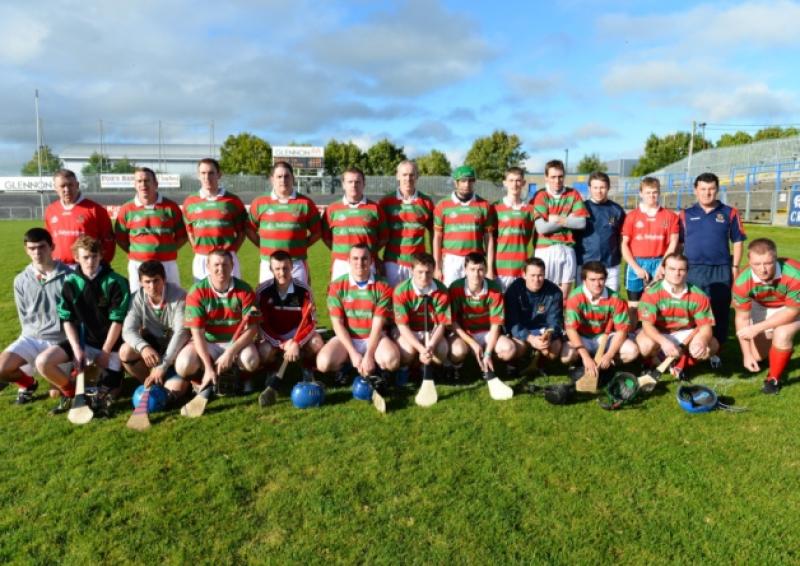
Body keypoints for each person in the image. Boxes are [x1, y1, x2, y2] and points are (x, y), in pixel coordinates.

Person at [35, 235, 131, 416]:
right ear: (77, 258)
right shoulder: (71, 282)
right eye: (85, 257)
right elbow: (67, 319)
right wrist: (77, 349)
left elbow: (117, 321)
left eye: (94, 256)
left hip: (111, 347)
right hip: (84, 343)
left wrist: (105, 352)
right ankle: (72, 392)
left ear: (101, 256)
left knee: (105, 395)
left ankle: (108, 384)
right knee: (43, 362)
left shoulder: (116, 282)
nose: (91, 261)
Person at [0, 228, 70, 403]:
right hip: (31, 338)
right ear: (26, 250)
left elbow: (80, 317)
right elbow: (24, 316)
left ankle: (66, 385)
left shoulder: (69, 277)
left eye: (41, 247)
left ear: (52, 247)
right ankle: (28, 383)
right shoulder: (21, 280)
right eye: (32, 248)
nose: (37, 252)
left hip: (59, 341)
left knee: (56, 393)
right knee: (2, 368)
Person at [175, 249, 261, 392]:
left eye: (225, 265)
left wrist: (230, 352)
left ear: (232, 266)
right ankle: (202, 380)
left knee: (251, 361)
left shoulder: (244, 290)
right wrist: (208, 367)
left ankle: (242, 378)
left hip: (235, 342)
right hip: (208, 342)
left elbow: (253, 329)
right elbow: (197, 334)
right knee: (183, 365)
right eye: (216, 265)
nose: (221, 269)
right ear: (207, 267)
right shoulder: (197, 291)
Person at [680, 172, 746, 352]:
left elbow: (738, 241)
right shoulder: (685, 214)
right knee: (692, 308)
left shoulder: (729, 212)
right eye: (703, 189)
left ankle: (717, 349)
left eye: (711, 189)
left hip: (721, 268)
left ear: (717, 190)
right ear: (696, 190)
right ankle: (690, 348)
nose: (707, 193)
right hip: (693, 269)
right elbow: (678, 244)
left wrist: (735, 267)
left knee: (720, 309)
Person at [316, 244, 401, 379]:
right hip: (348, 339)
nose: (359, 263)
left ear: (371, 261)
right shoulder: (336, 286)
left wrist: (369, 354)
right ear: (349, 261)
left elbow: (378, 324)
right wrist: (353, 352)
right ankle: (348, 367)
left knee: (392, 361)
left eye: (364, 259)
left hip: (374, 337)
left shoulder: (383, 286)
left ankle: (375, 368)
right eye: (355, 259)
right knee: (323, 363)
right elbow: (337, 324)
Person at [732, 238, 800, 394]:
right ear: (749, 262)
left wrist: (758, 327)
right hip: (763, 306)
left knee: (782, 333)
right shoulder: (742, 282)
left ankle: (773, 380)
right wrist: (747, 355)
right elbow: (742, 318)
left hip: (793, 306)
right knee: (757, 357)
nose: (763, 270)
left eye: (768, 263)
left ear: (775, 258)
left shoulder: (794, 274)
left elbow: (792, 312)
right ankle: (781, 351)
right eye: (756, 264)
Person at [636, 253, 718, 381]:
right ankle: (652, 361)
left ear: (687, 271)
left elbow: (706, 328)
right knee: (644, 346)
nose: (677, 273)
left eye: (681, 270)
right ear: (663, 270)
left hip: (686, 333)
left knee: (710, 346)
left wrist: (702, 340)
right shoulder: (651, 293)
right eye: (672, 269)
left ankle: (682, 363)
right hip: (659, 332)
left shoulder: (699, 295)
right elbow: (647, 326)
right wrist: (664, 342)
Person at [120, 260, 189, 401]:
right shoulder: (137, 298)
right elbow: (127, 330)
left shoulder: (179, 296)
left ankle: (174, 384)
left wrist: (163, 365)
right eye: (147, 282)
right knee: (125, 351)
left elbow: (181, 333)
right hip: (154, 347)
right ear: (140, 282)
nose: (152, 286)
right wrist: (143, 347)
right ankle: (150, 382)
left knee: (175, 393)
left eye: (156, 281)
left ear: (164, 279)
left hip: (177, 350)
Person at [247, 161, 322, 284]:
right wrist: (263, 246)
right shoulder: (260, 203)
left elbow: (318, 232)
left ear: (293, 178)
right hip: (268, 263)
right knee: (268, 302)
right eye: (279, 176)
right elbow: (249, 228)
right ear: (272, 179)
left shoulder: (305, 203)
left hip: (296, 263)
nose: (283, 180)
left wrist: (302, 245)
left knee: (297, 302)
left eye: (287, 176)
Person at [562, 262, 639, 380]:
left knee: (632, 351)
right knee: (566, 357)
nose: (597, 284)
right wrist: (585, 356)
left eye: (601, 279)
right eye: (592, 280)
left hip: (605, 337)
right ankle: (583, 362)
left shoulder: (615, 298)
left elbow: (621, 331)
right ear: (584, 280)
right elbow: (571, 330)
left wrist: (609, 354)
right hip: (583, 337)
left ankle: (606, 365)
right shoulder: (575, 297)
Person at [115, 167, 187, 292]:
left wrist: (167, 250)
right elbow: (121, 239)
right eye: (139, 181)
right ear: (134, 185)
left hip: (167, 264)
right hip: (138, 264)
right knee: (138, 300)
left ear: (156, 184)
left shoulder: (171, 207)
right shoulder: (126, 209)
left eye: (147, 180)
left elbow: (182, 236)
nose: (143, 184)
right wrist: (138, 252)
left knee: (173, 299)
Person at [620, 177, 679, 327]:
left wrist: (663, 266)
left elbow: (673, 242)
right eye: (648, 193)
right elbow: (624, 244)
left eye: (655, 192)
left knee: (660, 305)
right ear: (640, 193)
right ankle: (633, 336)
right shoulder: (632, 216)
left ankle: (657, 340)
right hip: (637, 263)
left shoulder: (670, 216)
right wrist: (636, 267)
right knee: (633, 306)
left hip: (660, 261)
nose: (651, 196)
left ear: (659, 193)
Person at [255, 250, 324, 379]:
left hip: (296, 333)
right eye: (277, 269)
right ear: (271, 269)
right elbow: (263, 324)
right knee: (264, 351)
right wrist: (281, 343)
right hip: (275, 335)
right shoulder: (263, 291)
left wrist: (296, 342)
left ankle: (307, 368)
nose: (282, 273)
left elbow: (311, 322)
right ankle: (271, 369)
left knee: (316, 342)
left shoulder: (304, 290)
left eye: (286, 268)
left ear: (292, 266)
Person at [447, 252, 516, 372]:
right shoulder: (455, 287)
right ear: (465, 270)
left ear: (485, 270)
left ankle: (488, 359)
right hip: (465, 334)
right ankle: (457, 368)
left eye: (480, 270)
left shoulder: (494, 288)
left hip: (487, 333)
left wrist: (488, 352)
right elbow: (451, 322)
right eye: (472, 269)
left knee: (509, 349)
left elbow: (496, 324)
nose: (476, 274)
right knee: (457, 351)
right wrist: (472, 343)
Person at [183, 158, 247, 281]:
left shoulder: (233, 201)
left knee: (231, 296)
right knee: (203, 297)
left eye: (211, 173)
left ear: (219, 174)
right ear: (198, 176)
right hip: (202, 258)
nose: (207, 177)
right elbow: (189, 231)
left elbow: (242, 232)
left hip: (227, 257)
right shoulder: (190, 202)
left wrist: (231, 251)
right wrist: (197, 249)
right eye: (203, 173)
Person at [532, 159, 588, 298]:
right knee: (544, 294)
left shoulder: (573, 194)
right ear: (546, 177)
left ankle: (561, 320)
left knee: (564, 297)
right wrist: (569, 219)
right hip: (546, 249)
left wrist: (556, 218)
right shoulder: (541, 196)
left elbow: (581, 223)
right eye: (553, 177)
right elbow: (542, 229)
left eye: (560, 176)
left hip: (567, 248)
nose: (557, 181)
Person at [433, 165, 496, 286]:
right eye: (463, 181)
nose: (467, 184)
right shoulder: (442, 205)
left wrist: (490, 268)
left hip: (476, 260)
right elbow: (437, 237)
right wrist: (437, 267)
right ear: (455, 182)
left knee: (474, 296)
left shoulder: (484, 205)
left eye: (470, 180)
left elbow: (489, 238)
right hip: (452, 259)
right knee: (451, 296)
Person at [322, 167, 388, 281]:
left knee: (367, 297)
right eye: (350, 182)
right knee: (339, 297)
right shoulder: (332, 209)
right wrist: (341, 251)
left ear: (364, 184)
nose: (354, 185)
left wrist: (369, 252)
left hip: (366, 262)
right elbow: (326, 237)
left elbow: (384, 237)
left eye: (358, 182)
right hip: (341, 263)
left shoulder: (375, 209)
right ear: (343, 184)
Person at [378, 160, 435, 287]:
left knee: (417, 301)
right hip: (392, 262)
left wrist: (433, 258)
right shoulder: (386, 202)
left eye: (411, 174)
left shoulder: (426, 202)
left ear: (417, 176)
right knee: (392, 300)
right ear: (397, 176)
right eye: (404, 175)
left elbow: (434, 233)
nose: (408, 178)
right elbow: (377, 233)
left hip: (418, 263)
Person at [392, 252, 451, 375]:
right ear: (412, 270)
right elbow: (402, 326)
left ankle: (424, 367)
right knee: (407, 351)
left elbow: (441, 324)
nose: (424, 276)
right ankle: (404, 369)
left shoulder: (442, 290)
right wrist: (420, 349)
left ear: (434, 271)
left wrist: (430, 346)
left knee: (442, 350)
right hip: (408, 331)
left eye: (428, 272)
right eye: (420, 272)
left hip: (430, 332)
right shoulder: (400, 291)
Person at [44, 169, 115, 267]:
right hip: (58, 267)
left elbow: (108, 241)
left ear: (77, 185)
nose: (67, 189)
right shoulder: (51, 210)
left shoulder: (96, 210)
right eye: (62, 186)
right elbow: (47, 241)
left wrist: (102, 264)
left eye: (70, 185)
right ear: (55, 188)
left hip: (86, 267)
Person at [503, 257, 565, 365]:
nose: (536, 280)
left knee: (555, 349)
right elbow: (512, 321)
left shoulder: (554, 292)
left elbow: (555, 320)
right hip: (523, 330)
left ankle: (539, 363)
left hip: (543, 331)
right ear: (524, 274)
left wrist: (549, 335)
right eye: (532, 275)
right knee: (517, 348)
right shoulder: (514, 290)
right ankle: (517, 363)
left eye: (540, 275)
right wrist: (530, 338)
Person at [575, 171, 625, 292]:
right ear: (589, 188)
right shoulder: (581, 207)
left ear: (608, 187)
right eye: (595, 187)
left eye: (602, 187)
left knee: (611, 301)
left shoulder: (616, 210)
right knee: (584, 301)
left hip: (610, 265)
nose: (599, 191)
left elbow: (622, 237)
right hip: (585, 264)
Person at [493, 167, 535, 291]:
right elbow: (491, 239)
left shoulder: (529, 209)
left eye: (518, 180)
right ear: (504, 183)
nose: (514, 184)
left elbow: (526, 237)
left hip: (521, 267)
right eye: (511, 180)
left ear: (523, 183)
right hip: (500, 267)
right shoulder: (495, 207)